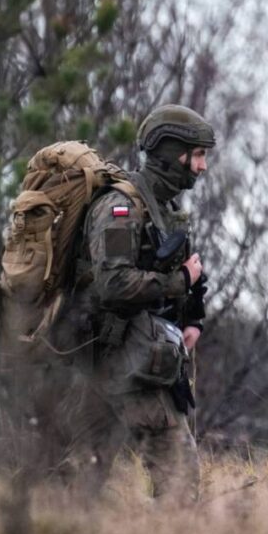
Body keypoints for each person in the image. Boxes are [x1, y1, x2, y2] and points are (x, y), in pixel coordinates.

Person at [69, 104, 215, 504]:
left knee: (80, 486)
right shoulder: (121, 208)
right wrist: (179, 280)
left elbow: (180, 276)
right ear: (173, 152)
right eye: (198, 155)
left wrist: (193, 317)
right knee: (178, 485)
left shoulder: (163, 211)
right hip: (116, 362)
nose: (202, 167)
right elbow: (114, 284)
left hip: (137, 361)